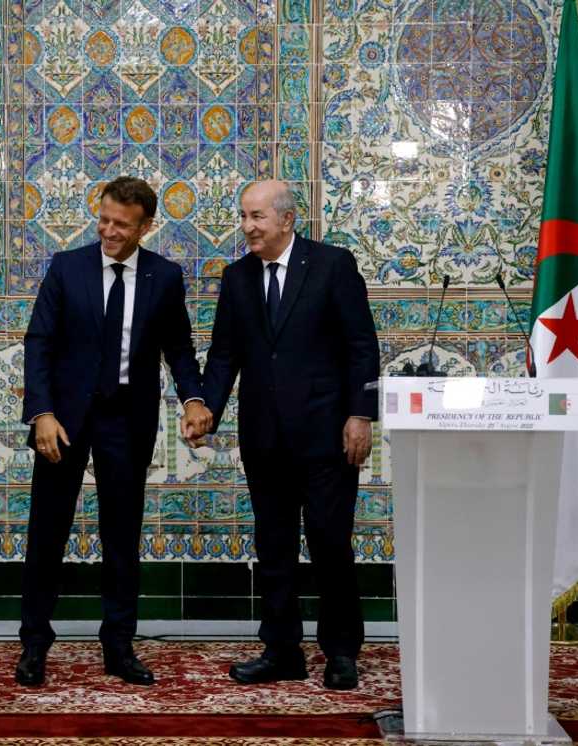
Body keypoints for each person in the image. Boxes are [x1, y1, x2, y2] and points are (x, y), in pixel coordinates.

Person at [17, 176, 214, 687]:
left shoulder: (164, 277)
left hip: (127, 417)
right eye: (103, 219)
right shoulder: (66, 268)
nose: (108, 231)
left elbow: (180, 349)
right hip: (63, 419)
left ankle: (119, 646)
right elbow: (38, 343)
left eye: (121, 225)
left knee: (122, 535)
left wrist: (194, 399)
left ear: (146, 227)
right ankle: (34, 643)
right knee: (47, 532)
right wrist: (41, 412)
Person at [194, 179, 379, 690]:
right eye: (244, 216)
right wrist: (205, 407)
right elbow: (225, 354)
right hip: (264, 439)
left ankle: (341, 652)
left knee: (329, 546)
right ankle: (281, 651)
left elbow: (362, 345)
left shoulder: (331, 265)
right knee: (273, 549)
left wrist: (361, 414)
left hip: (327, 437)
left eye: (257, 217)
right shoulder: (236, 278)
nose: (248, 227)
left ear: (287, 219)